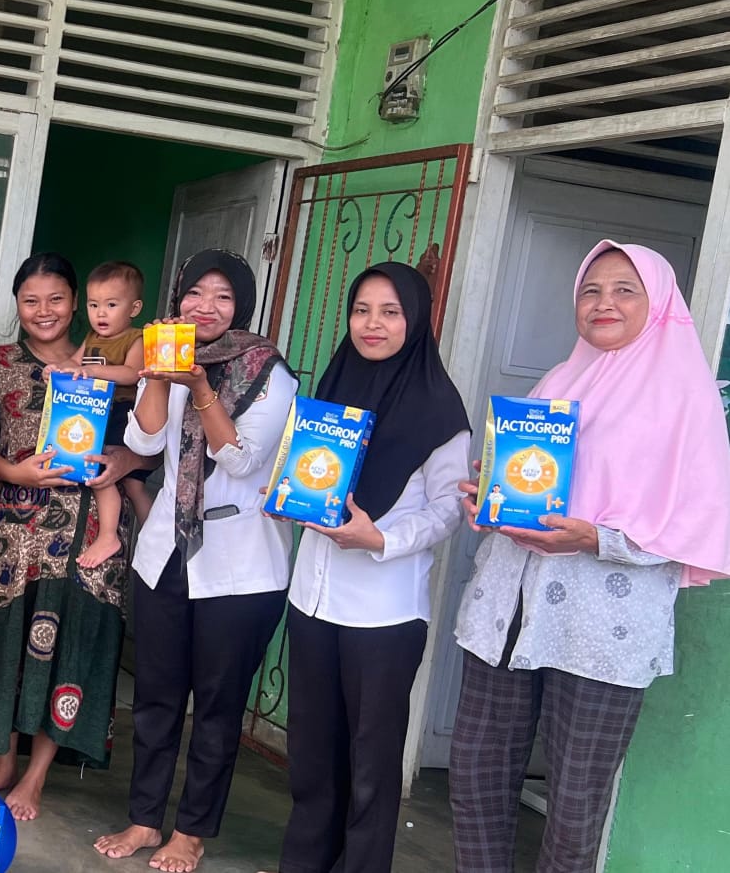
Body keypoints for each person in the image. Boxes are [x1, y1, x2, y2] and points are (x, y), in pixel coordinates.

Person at [450, 241, 730, 873]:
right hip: (506, 614)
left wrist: (594, 538)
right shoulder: (558, 380)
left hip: (602, 629)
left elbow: (696, 522)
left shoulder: (685, 399)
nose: (604, 303)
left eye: (625, 290)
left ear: (659, 303)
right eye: (591, 290)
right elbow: (531, 481)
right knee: (476, 776)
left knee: (576, 806)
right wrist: (489, 494)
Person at [92, 250, 296, 873]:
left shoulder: (269, 372)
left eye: (223, 296)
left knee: (216, 705)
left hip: (240, 562)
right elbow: (143, 441)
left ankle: (192, 831)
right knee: (155, 698)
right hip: (167, 552)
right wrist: (159, 374)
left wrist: (201, 389)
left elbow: (241, 459)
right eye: (195, 294)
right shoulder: (168, 355)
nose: (205, 307)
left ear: (242, 306)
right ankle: (145, 818)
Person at [273, 263, 471, 873]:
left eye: (390, 311)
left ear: (416, 320)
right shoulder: (332, 388)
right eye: (362, 310)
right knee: (312, 756)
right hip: (312, 600)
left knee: (370, 765)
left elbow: (448, 510)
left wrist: (380, 538)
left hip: (384, 612)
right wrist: (285, 493)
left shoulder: (439, 410)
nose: (372, 324)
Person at [0, 253, 152, 822]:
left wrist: (123, 461)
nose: (43, 311)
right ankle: (3, 761)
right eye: (30, 300)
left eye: (56, 299)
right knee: (5, 640)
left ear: (75, 305)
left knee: (73, 643)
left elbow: (151, 439)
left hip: (90, 531)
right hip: (14, 532)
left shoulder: (109, 362)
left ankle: (37, 774)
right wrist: (14, 473)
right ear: (17, 305)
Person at [44, 260, 148, 568]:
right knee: (106, 475)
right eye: (94, 305)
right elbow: (74, 363)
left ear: (134, 308)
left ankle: (112, 536)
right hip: (93, 412)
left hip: (122, 413)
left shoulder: (135, 338)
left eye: (111, 305)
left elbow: (132, 373)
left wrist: (92, 371)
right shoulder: (92, 337)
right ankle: (144, 539)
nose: (101, 313)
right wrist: (58, 369)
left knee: (117, 478)